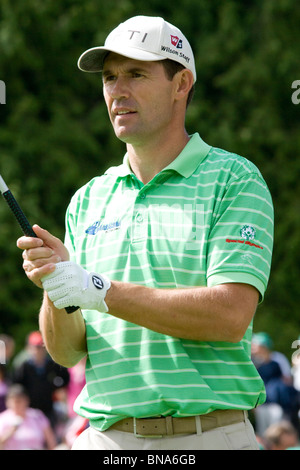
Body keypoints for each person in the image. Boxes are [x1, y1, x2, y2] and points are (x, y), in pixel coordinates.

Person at [16, 15, 274, 450]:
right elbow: (68, 352)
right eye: (110, 77)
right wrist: (58, 286)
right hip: (105, 440)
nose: (117, 90)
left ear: (181, 84)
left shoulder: (235, 179)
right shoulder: (87, 199)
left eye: (136, 74)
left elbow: (230, 315)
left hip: (209, 437)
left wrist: (97, 289)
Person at [12, 331, 70, 431]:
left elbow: (65, 378)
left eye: (41, 347)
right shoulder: (23, 366)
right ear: (29, 348)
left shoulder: (51, 364)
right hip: (29, 409)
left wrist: (54, 386)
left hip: (48, 407)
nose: (38, 351)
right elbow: (17, 385)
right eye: (36, 347)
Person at [0, 384, 56, 450]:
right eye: (13, 402)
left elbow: (51, 441)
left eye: (19, 401)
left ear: (26, 400)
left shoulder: (37, 416)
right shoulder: (3, 418)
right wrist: (11, 431)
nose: (15, 405)